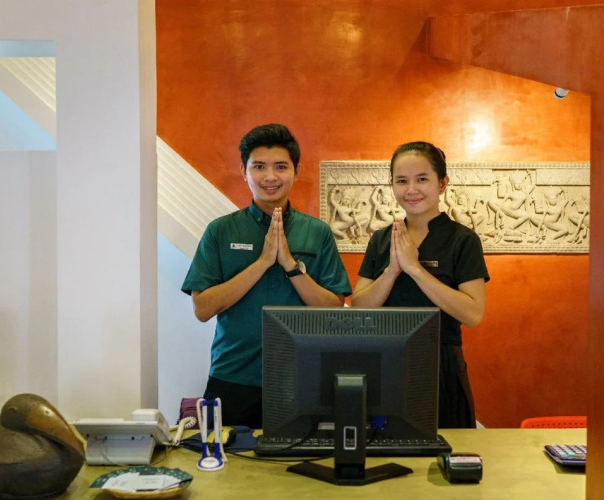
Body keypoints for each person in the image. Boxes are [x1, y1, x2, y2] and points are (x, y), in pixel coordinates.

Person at [181, 123, 352, 428]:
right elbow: (202, 309)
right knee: (225, 458)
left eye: (281, 167)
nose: (270, 177)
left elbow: (333, 310)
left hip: (302, 377)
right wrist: (261, 263)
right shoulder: (220, 231)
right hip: (232, 377)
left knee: (303, 459)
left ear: (296, 172)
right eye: (259, 166)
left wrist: (290, 265)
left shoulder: (317, 232)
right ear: (244, 171)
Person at [351, 141, 489, 428]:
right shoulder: (381, 240)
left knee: (446, 448)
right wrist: (392, 270)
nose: (411, 189)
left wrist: (414, 269)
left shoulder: (462, 240)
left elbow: (473, 313)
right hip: (386, 363)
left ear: (442, 183)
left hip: (441, 367)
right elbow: (359, 307)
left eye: (422, 179)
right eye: (401, 181)